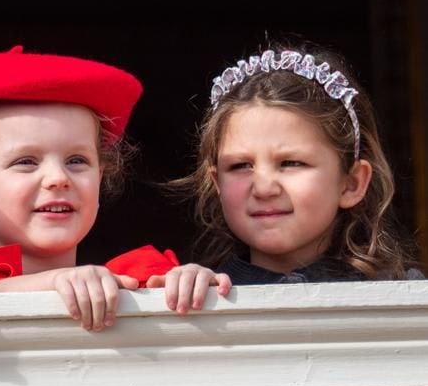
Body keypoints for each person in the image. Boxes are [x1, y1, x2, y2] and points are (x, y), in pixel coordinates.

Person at [0, 46, 230, 331]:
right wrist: (52, 283)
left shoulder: (140, 277)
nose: (58, 178)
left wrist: (192, 283)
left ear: (101, 176)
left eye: (76, 160)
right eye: (26, 161)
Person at [176, 44, 425, 285]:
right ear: (217, 182)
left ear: (352, 184)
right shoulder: (205, 294)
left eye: (291, 163)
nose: (264, 189)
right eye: (241, 165)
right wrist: (190, 297)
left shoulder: (402, 296)